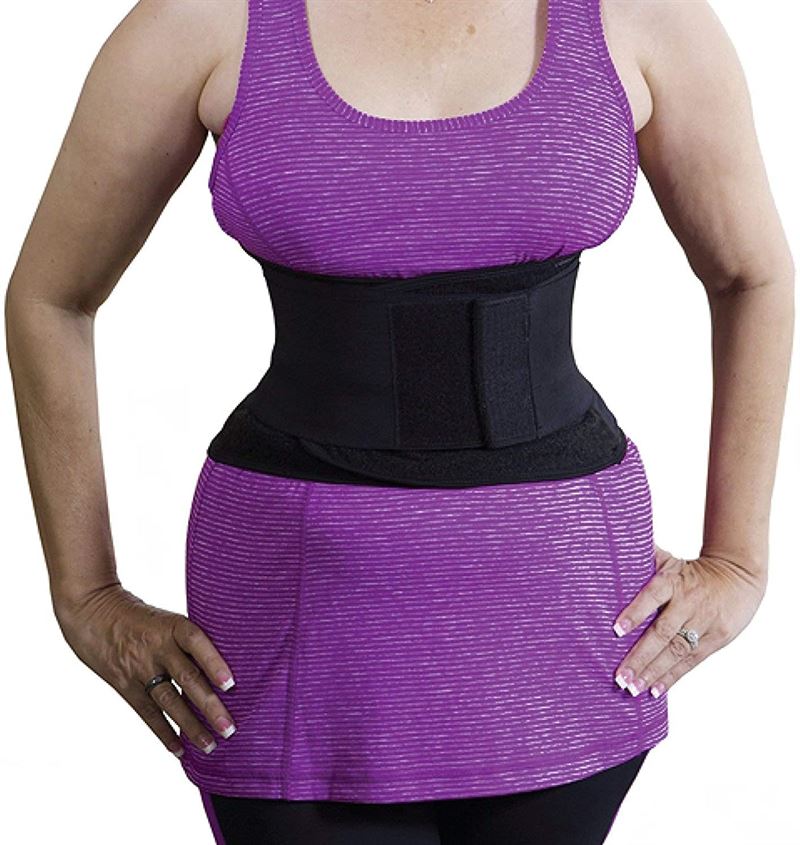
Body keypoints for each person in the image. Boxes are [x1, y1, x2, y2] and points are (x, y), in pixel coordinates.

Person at [5, 1, 792, 843]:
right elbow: (49, 297)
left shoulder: (637, 17)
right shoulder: (208, 18)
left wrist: (739, 561)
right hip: (298, 612)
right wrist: (86, 596)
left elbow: (753, 275)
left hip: (563, 613)